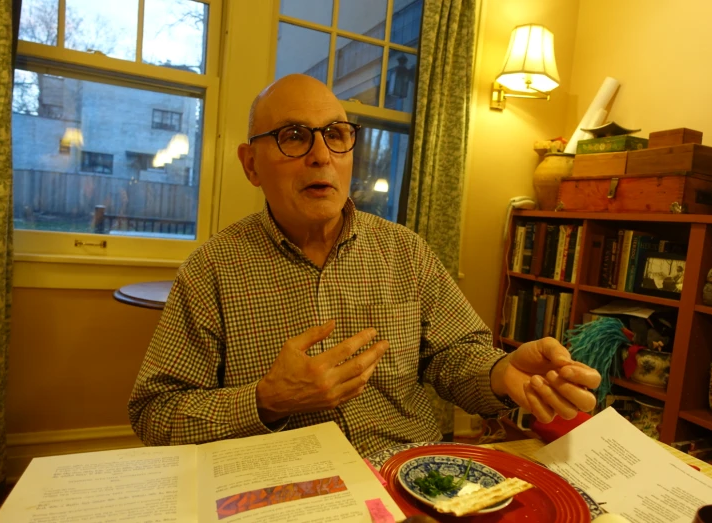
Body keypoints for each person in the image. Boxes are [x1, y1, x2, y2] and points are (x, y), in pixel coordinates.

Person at [128, 74, 600, 457]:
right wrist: (266, 400)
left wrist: (500, 372)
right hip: (281, 486)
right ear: (251, 165)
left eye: (335, 135)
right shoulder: (212, 269)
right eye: (293, 137)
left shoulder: (405, 251)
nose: (321, 156)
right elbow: (156, 412)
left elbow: (453, 356)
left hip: (411, 478)